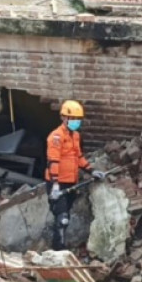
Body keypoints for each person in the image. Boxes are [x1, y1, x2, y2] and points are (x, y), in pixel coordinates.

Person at [46, 100, 106, 251]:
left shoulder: (76, 136)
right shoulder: (56, 137)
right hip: (58, 183)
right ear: (64, 118)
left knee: (66, 214)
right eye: (73, 119)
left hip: (71, 182)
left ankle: (59, 243)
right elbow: (53, 161)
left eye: (78, 119)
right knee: (62, 218)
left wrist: (91, 170)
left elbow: (78, 157)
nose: (76, 122)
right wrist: (54, 185)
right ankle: (58, 250)